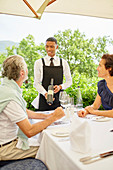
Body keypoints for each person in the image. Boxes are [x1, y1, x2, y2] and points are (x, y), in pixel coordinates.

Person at [0, 55, 65, 161]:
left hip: (7, 142)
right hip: (6, 148)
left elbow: (23, 111)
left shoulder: (5, 89)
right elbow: (29, 131)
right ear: (22, 73)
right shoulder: (10, 95)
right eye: (26, 68)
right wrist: (53, 118)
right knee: (53, 148)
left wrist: (48, 116)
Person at [32, 37, 72, 111]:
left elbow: (69, 81)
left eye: (51, 47)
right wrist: (46, 94)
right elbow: (36, 83)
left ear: (56, 47)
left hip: (59, 100)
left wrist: (60, 87)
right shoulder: (38, 63)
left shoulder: (63, 62)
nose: (49, 49)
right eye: (47, 46)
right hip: (43, 100)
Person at [78, 54, 113, 118]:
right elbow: (95, 106)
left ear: (109, 68)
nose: (97, 68)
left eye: (100, 66)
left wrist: (94, 112)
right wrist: (86, 111)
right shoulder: (102, 85)